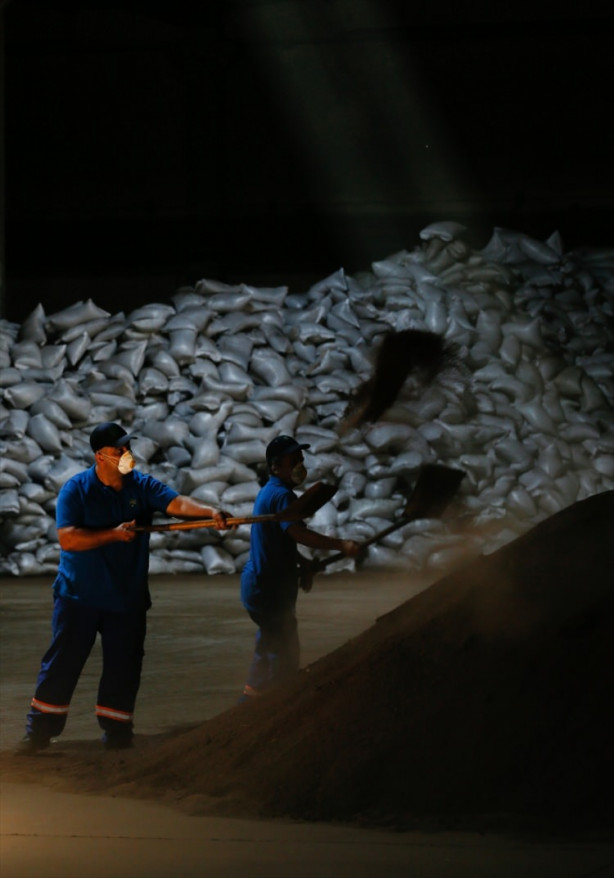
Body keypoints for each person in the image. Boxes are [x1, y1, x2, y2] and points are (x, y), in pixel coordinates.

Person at [17, 421, 229, 754]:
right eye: (120, 450)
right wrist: (113, 535)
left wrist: (210, 511)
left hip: (125, 597)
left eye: (128, 447)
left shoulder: (139, 485)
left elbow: (177, 504)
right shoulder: (76, 490)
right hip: (80, 596)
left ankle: (117, 732)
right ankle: (39, 733)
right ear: (100, 456)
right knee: (63, 663)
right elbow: (68, 538)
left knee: (124, 666)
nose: (127, 454)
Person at [240, 435, 362, 700]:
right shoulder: (282, 496)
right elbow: (297, 533)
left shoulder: (272, 492)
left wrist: (304, 564)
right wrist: (342, 545)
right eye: (293, 460)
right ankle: (277, 702)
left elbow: (279, 542)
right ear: (275, 467)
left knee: (271, 638)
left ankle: (252, 696)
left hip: (261, 584)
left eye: (301, 459)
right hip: (267, 587)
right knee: (284, 645)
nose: (300, 465)